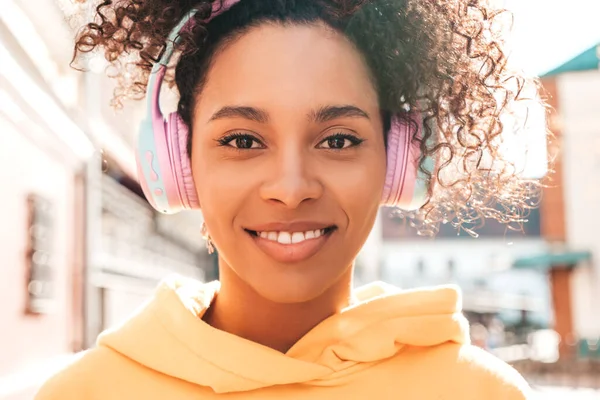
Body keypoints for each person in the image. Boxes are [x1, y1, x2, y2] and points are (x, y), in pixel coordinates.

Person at [36, 0, 542, 398]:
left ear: (399, 161)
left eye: (338, 140)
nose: (291, 188)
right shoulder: (83, 395)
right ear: (179, 162)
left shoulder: (480, 394)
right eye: (242, 140)